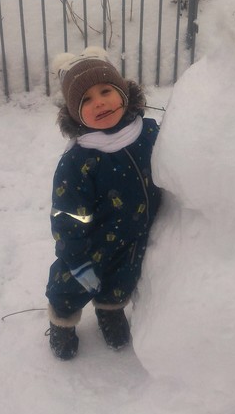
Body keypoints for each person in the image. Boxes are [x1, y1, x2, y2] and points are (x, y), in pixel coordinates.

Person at [45, 47, 162, 360]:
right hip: (91, 244)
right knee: (70, 286)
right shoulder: (79, 160)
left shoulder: (149, 132)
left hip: (135, 237)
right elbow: (67, 214)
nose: (98, 102)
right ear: (74, 113)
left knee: (123, 279)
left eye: (106, 91)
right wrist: (75, 256)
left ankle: (110, 310)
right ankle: (62, 320)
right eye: (85, 100)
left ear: (122, 92)